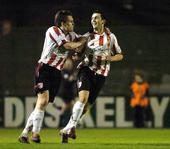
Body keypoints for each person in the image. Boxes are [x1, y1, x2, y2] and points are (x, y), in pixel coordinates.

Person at [18, 10, 86, 143]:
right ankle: (35, 134)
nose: (73, 24)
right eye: (71, 22)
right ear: (63, 23)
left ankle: (25, 133)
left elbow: (82, 38)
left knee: (43, 103)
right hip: (44, 68)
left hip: (56, 72)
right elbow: (68, 45)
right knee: (43, 101)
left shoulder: (71, 34)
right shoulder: (53, 30)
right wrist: (79, 44)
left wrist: (82, 39)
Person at [60, 10, 124, 143]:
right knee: (82, 99)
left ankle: (69, 128)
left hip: (101, 74)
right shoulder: (87, 36)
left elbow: (120, 55)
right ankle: (69, 127)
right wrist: (77, 55)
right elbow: (79, 51)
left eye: (96, 18)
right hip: (86, 70)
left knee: (86, 107)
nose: (93, 21)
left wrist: (110, 58)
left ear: (103, 21)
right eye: (92, 19)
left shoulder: (111, 37)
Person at [59, 58, 77, 127]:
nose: (69, 65)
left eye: (70, 64)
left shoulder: (70, 72)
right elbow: (67, 81)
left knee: (69, 106)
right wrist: (72, 77)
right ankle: (69, 123)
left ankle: (67, 123)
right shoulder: (63, 72)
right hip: (66, 92)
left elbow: (73, 80)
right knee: (68, 106)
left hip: (70, 92)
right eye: (68, 64)